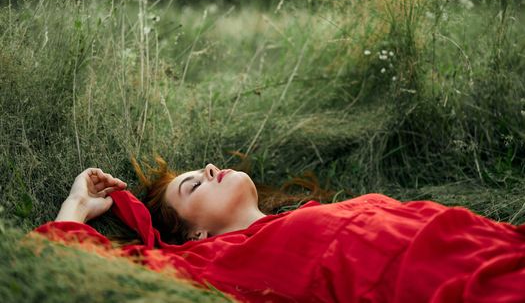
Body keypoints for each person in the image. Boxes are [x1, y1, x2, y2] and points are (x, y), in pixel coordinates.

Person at [35, 159, 525, 303]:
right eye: (192, 185)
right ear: (197, 237)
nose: (209, 167)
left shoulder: (297, 217)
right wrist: (76, 203)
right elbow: (76, 261)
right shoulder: (216, 260)